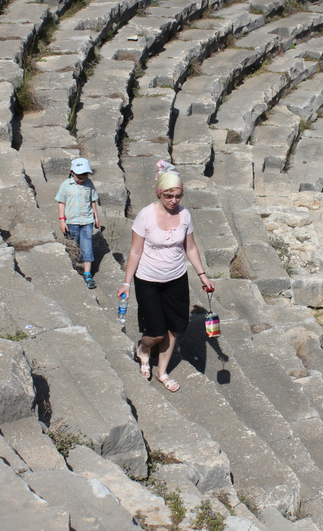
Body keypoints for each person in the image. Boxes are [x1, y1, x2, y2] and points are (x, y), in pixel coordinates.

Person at [117, 160, 214, 393]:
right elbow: (135, 251)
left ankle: (162, 372)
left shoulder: (185, 215)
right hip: (148, 280)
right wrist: (126, 282)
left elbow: (190, 247)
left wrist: (202, 275)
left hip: (176, 279)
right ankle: (143, 349)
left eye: (178, 196)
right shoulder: (145, 216)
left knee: (173, 328)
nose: (173, 201)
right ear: (159, 193)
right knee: (156, 331)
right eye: (168, 195)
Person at [56, 158, 100, 289]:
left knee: (87, 247)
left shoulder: (89, 184)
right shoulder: (65, 185)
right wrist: (62, 220)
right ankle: (73, 270)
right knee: (72, 246)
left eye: (85, 175)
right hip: (71, 221)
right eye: (79, 176)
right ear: (72, 172)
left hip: (86, 221)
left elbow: (93, 201)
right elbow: (61, 203)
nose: (82, 179)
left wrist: (96, 217)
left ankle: (87, 274)